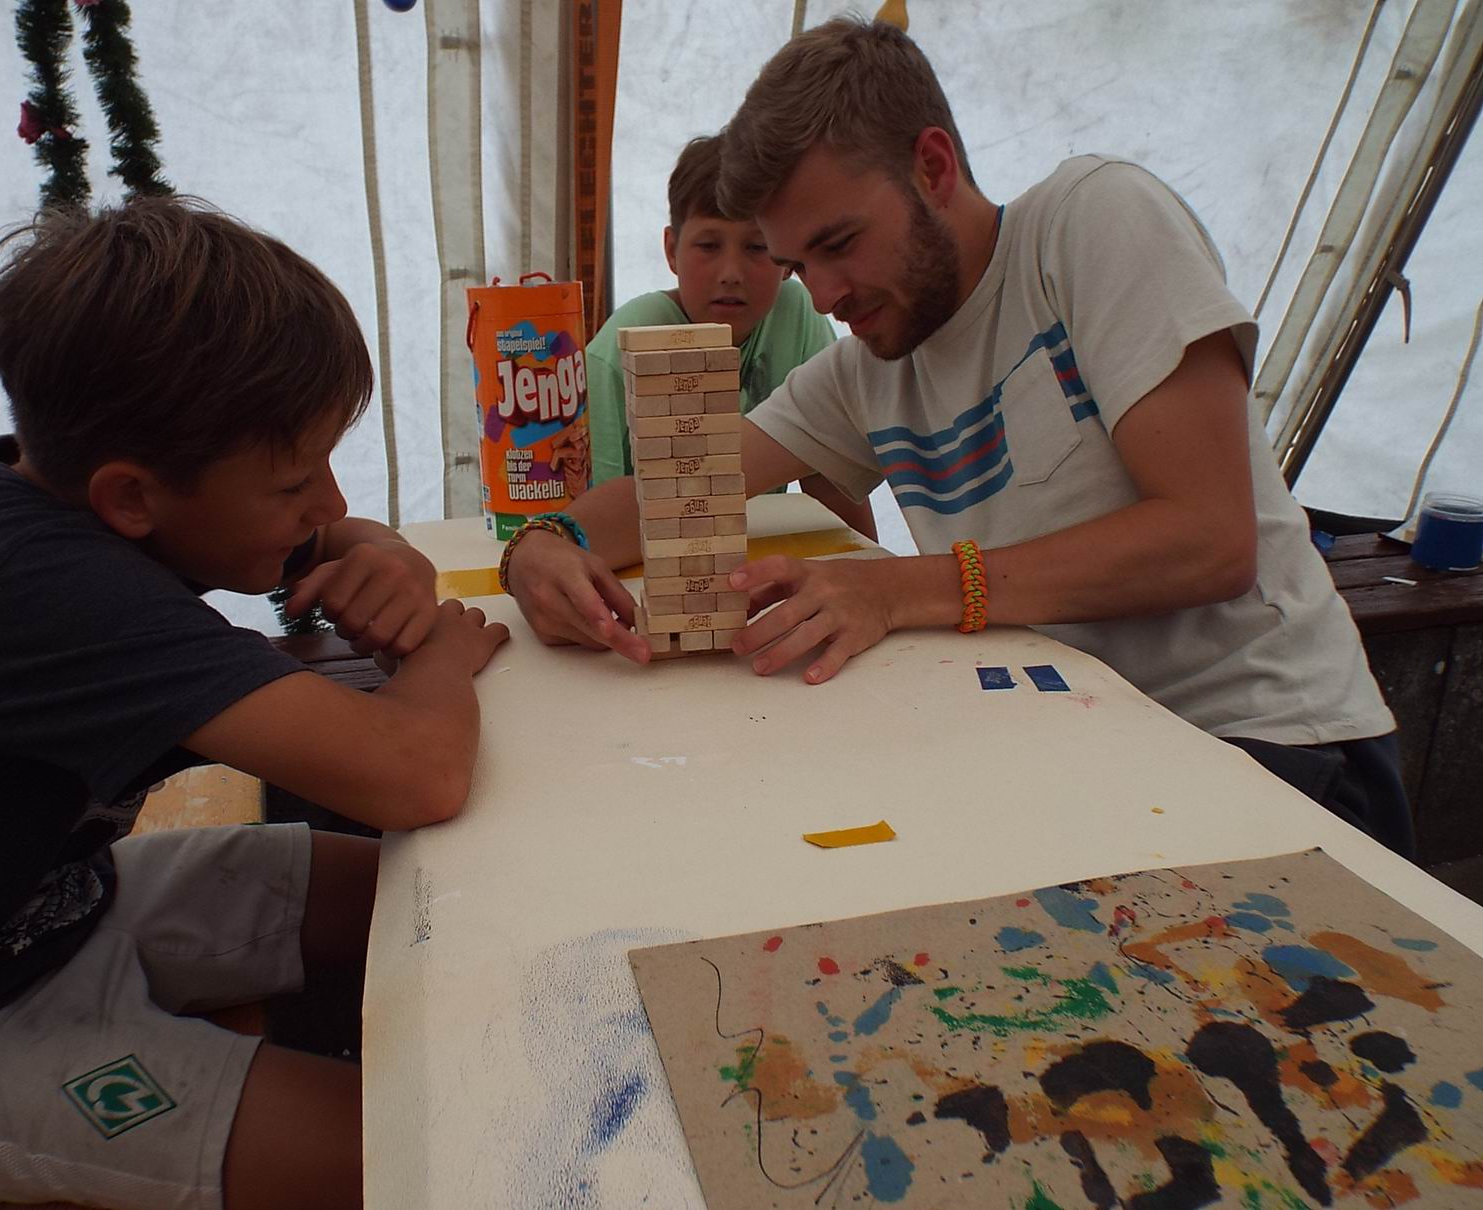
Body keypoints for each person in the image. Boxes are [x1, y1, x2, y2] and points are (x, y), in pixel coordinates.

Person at [500, 18, 1412, 856]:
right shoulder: (868, 363)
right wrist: (544, 546)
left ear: (932, 166)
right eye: (799, 264)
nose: (825, 295)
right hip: (1076, 747)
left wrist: (900, 588)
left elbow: (1210, 540)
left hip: (1268, 748)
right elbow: (680, 487)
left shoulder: (1089, 221)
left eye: (839, 243)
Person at [0, 197, 509, 1210]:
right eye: (294, 483)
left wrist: (386, 557)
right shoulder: (37, 588)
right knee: (424, 1155)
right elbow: (415, 773)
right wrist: (439, 651)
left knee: (439, 895)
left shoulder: (65, 492)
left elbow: (339, 537)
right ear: (132, 497)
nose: (331, 503)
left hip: (50, 904)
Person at [585, 133, 876, 539]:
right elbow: (587, 517)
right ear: (671, 250)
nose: (731, 273)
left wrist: (869, 563)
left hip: (753, 554)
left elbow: (832, 477)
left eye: (756, 247)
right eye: (708, 246)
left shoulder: (800, 317)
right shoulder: (616, 353)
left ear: (786, 256)